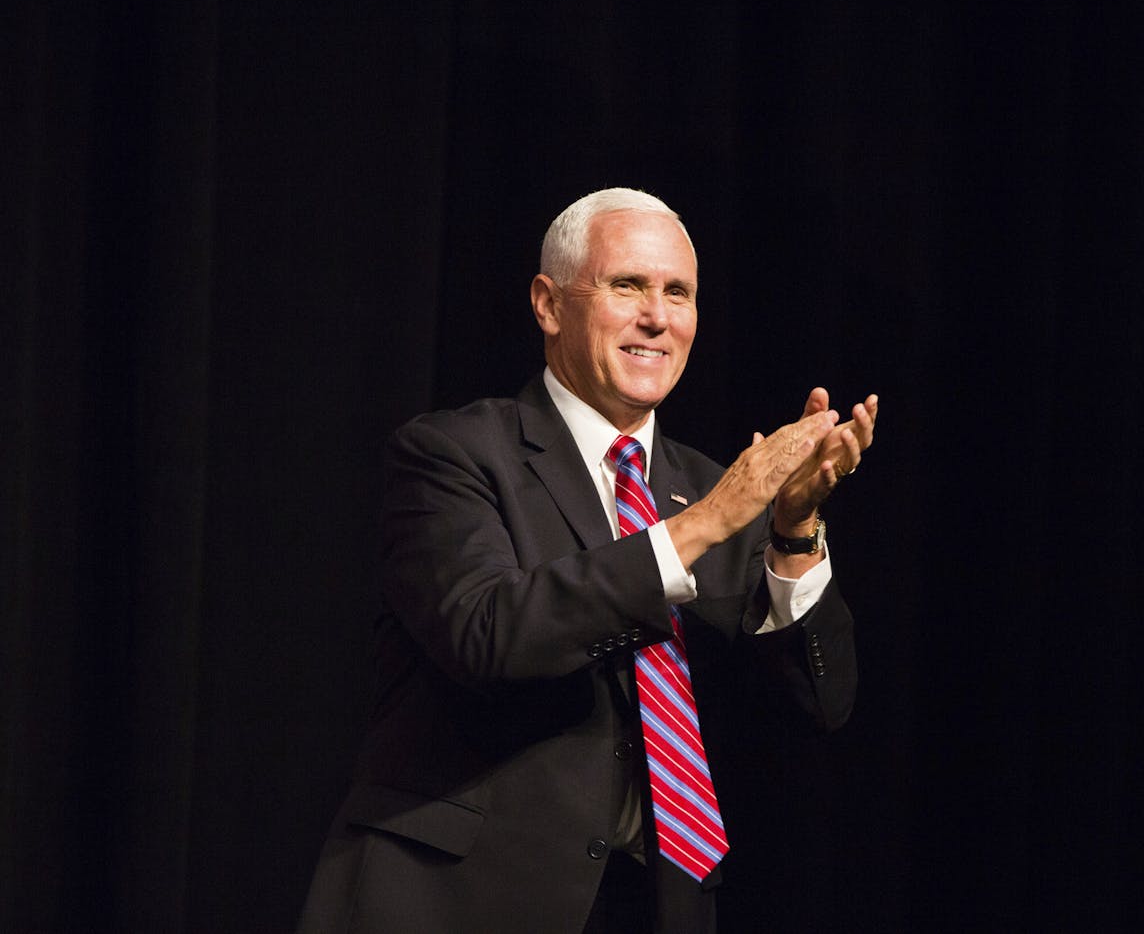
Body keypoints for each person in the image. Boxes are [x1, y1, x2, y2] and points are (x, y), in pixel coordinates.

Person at [298, 188, 878, 933]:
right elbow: (489, 632)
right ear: (548, 304)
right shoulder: (455, 454)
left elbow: (818, 705)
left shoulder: (713, 487)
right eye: (627, 285)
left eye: (678, 292)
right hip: (458, 899)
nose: (657, 317)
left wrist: (794, 531)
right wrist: (702, 526)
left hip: (647, 905)